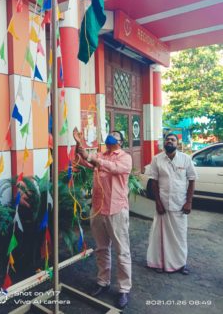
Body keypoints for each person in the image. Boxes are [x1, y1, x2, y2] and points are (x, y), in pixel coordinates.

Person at [73, 127, 132, 309]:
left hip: (116, 210)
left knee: (122, 250)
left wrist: (92, 158)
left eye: (115, 135)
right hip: (98, 209)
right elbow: (88, 163)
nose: (110, 137)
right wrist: (80, 148)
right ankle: (102, 281)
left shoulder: (125, 158)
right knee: (101, 249)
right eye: (109, 135)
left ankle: (123, 289)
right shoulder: (101, 155)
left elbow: (113, 168)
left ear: (120, 142)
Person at [146, 133, 197, 275]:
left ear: (177, 143)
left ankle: (181, 264)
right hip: (162, 203)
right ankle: (158, 263)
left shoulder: (186, 159)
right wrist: (157, 202)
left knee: (180, 236)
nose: (169, 141)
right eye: (167, 139)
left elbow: (192, 180)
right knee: (159, 235)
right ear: (164, 143)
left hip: (180, 204)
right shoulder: (157, 159)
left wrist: (189, 202)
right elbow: (154, 182)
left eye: (172, 140)